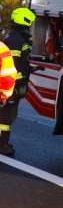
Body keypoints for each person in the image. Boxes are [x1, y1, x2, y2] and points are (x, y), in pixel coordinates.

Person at [0, 8, 36, 156]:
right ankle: (3, 144)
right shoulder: (16, 39)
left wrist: (31, 68)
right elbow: (12, 66)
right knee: (6, 116)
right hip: (12, 86)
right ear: (25, 21)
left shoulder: (15, 37)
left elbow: (18, 63)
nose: (31, 26)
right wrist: (20, 84)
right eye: (30, 23)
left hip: (12, 84)